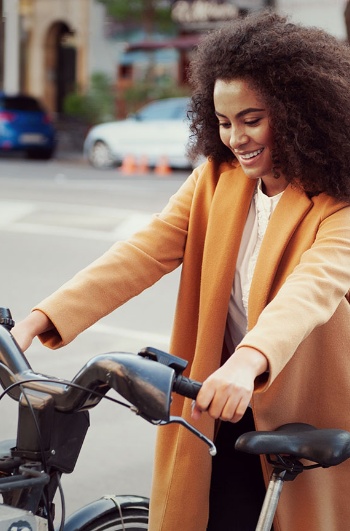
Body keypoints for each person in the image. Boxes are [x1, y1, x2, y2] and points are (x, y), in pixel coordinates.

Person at [12, 10, 350, 531]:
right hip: (215, 405)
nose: (236, 138)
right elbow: (142, 252)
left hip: (298, 408)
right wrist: (38, 321)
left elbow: (313, 288)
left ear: (298, 110)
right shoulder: (216, 180)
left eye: (252, 119)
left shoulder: (337, 203)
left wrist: (248, 360)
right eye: (223, 122)